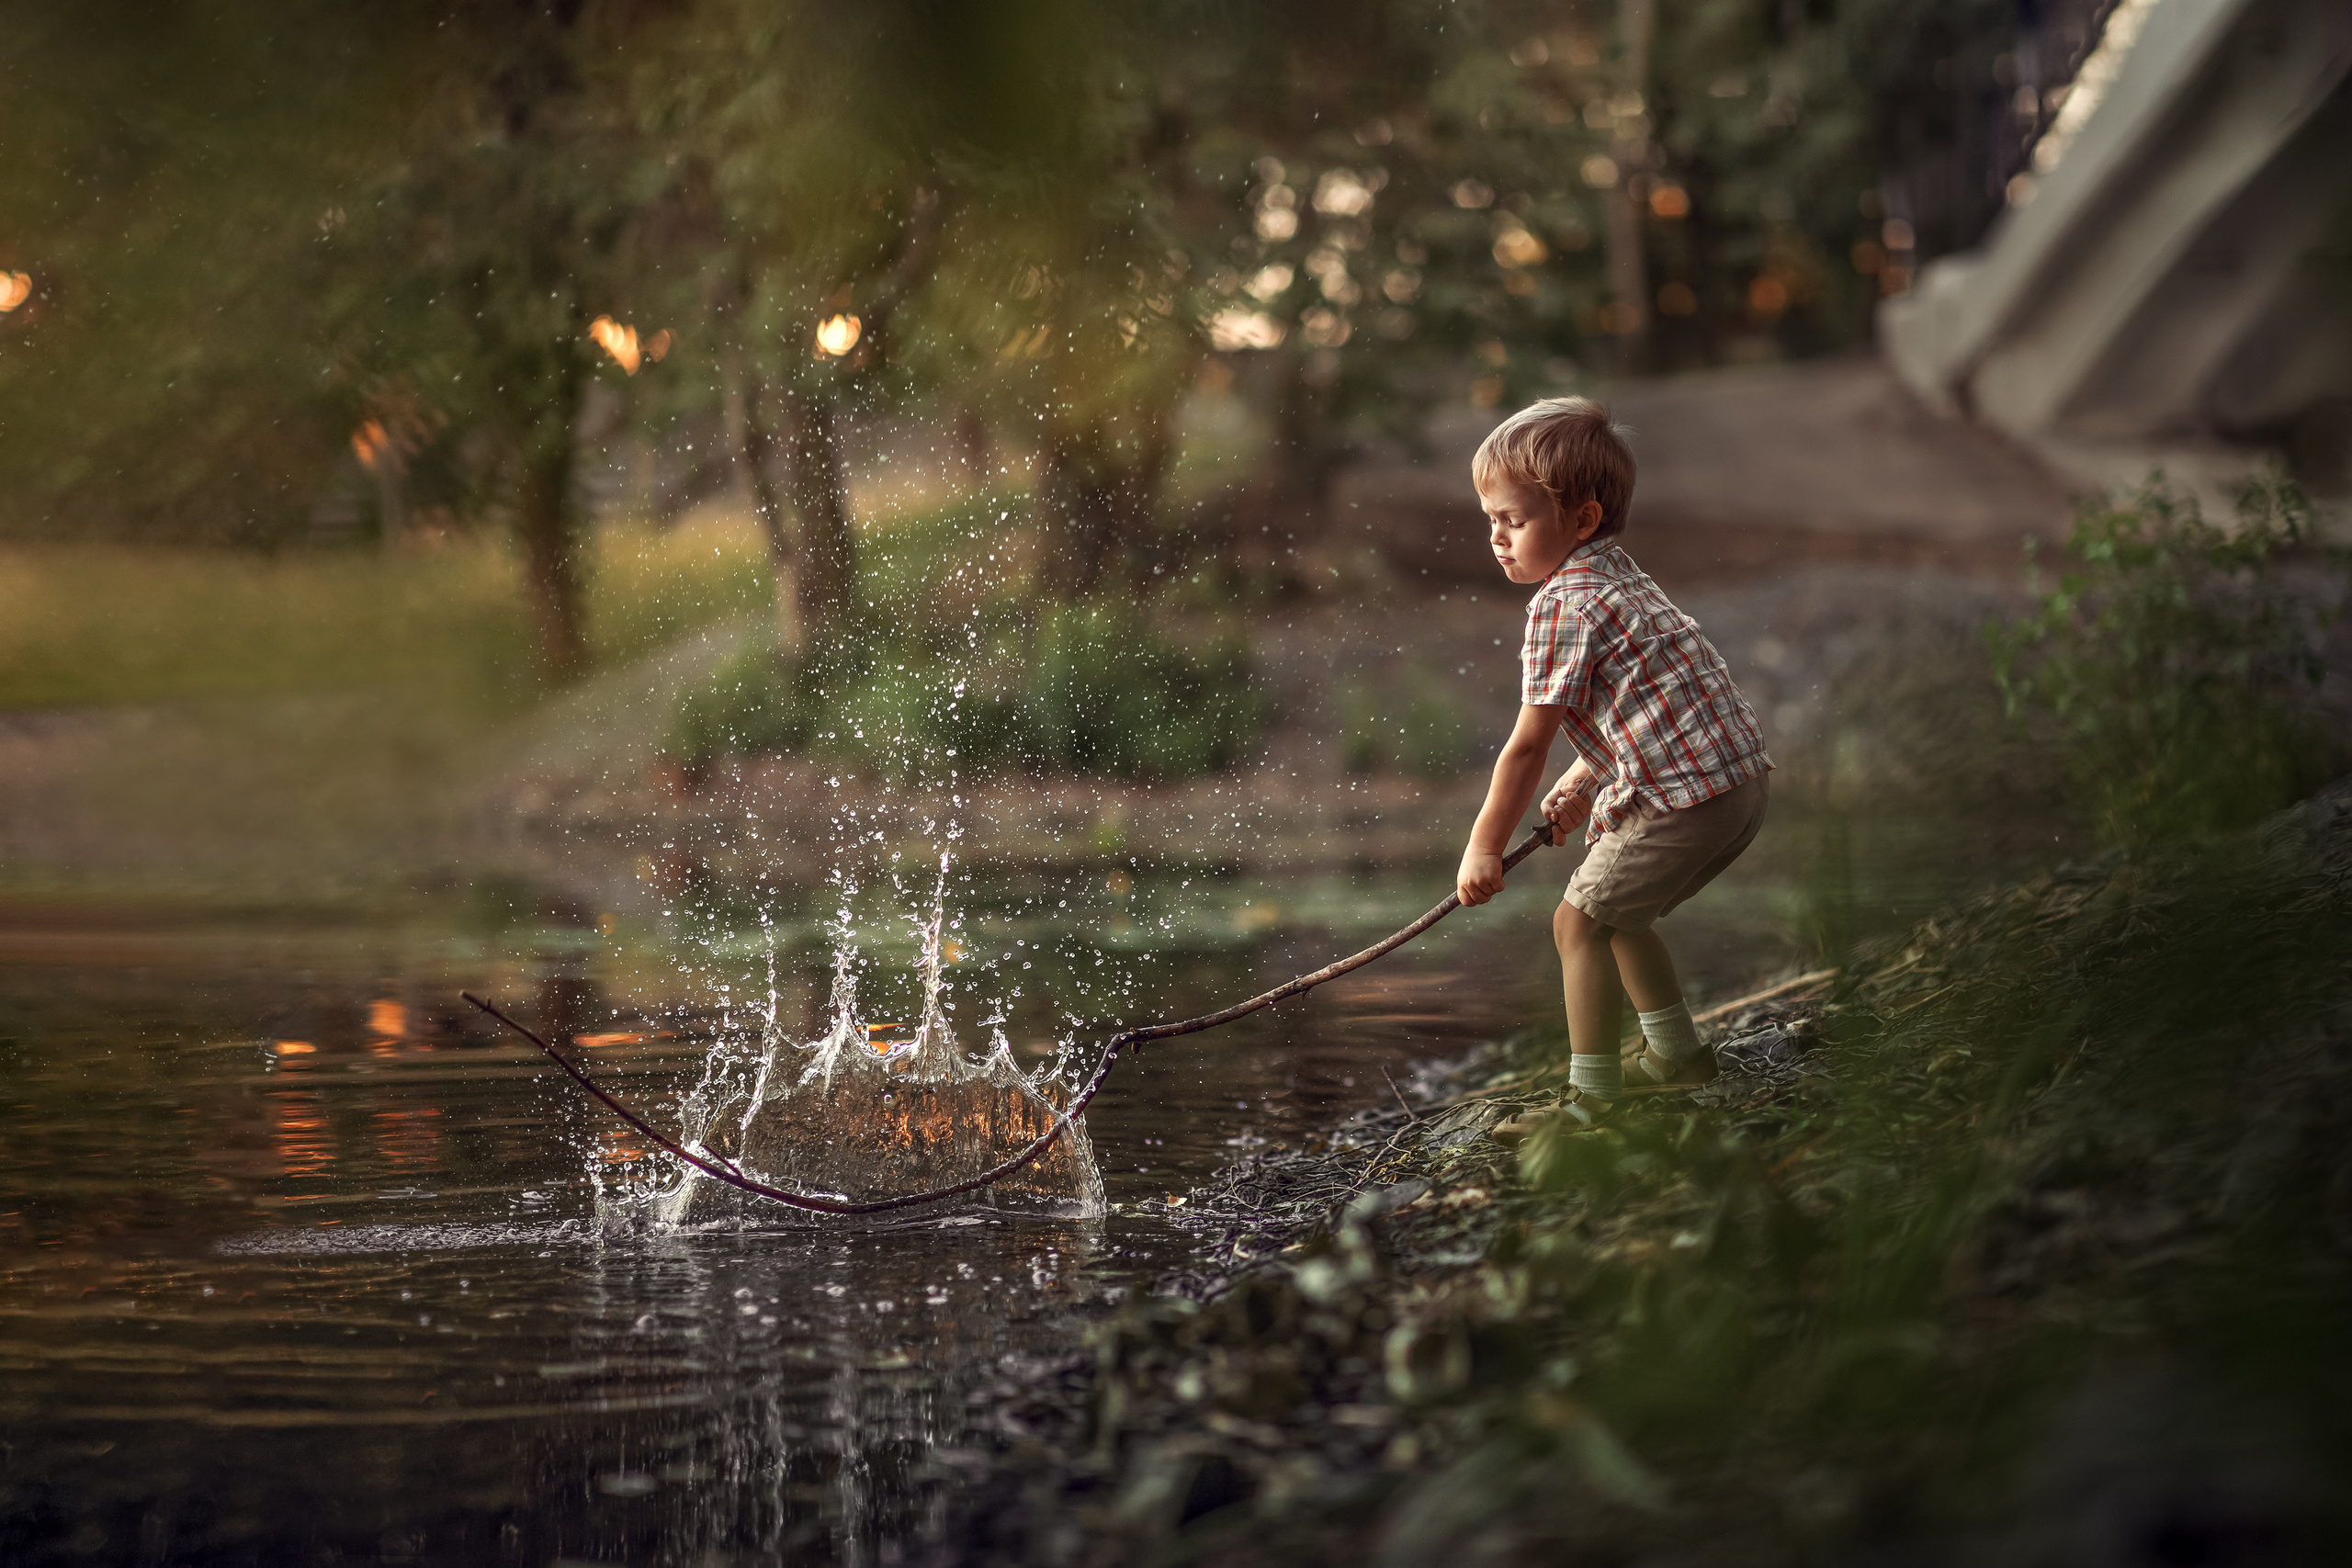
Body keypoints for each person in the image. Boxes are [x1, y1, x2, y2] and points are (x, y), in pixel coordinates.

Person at [1453, 397, 1772, 1131]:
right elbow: (1641, 701)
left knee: (1578, 924)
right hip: (1736, 784)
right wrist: (1581, 780)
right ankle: (1676, 1057)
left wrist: (1484, 846)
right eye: (1490, 520)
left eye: (1515, 520)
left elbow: (1527, 744)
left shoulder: (1562, 605)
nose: (1497, 538)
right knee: (1623, 918)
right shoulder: (1617, 576)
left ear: (1583, 520)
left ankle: (1592, 1103)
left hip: (1688, 798)